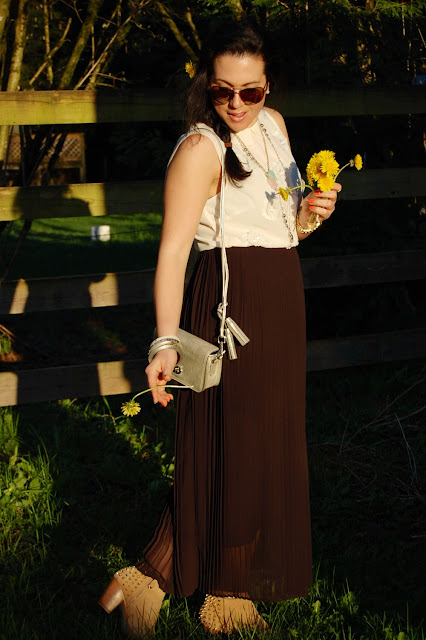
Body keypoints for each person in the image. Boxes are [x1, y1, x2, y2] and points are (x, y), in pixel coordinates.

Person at [99, 19, 341, 637]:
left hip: (281, 301)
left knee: (260, 444)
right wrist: (163, 341)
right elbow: (174, 254)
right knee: (232, 443)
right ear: (206, 86)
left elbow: (281, 225)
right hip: (226, 311)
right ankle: (226, 595)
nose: (236, 103)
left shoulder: (278, 129)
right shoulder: (199, 150)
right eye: (222, 90)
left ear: (268, 87)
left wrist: (312, 213)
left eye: (250, 91)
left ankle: (143, 583)